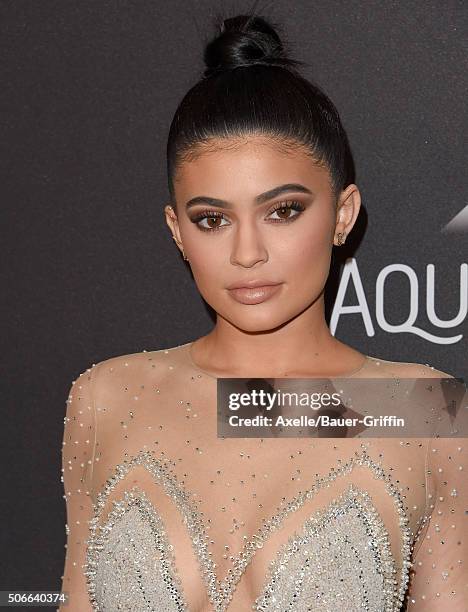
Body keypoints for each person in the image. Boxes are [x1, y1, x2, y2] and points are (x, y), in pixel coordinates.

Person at [60, 13, 467, 612]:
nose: (247, 253)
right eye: (212, 219)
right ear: (177, 231)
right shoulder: (106, 399)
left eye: (283, 211)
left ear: (343, 213)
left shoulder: (426, 410)